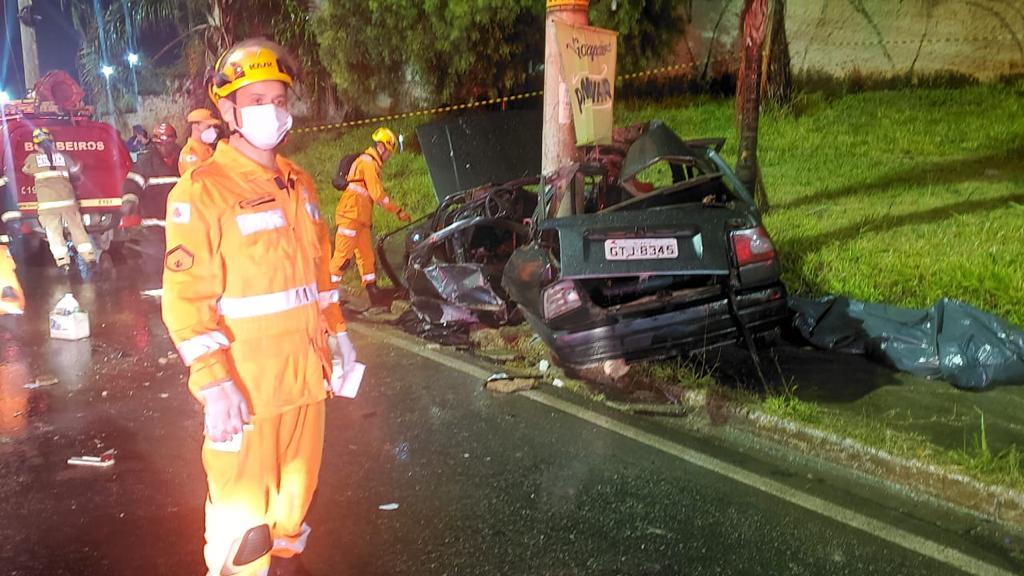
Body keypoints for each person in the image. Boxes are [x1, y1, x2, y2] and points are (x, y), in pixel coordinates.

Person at [161, 38, 355, 576]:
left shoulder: (299, 183)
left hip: (306, 384)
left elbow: (318, 277)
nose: (272, 110)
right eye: (256, 100)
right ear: (227, 111)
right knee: (244, 528)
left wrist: (337, 334)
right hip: (245, 393)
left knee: (292, 512)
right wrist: (213, 381)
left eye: (279, 98)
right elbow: (186, 299)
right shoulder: (200, 192)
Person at [330, 127, 411, 307]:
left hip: (361, 219)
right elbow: (377, 195)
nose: (389, 156)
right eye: (389, 152)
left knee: (367, 258)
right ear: (381, 147)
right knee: (342, 258)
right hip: (351, 216)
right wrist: (398, 211)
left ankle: (373, 293)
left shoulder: (370, 163)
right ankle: (328, 295)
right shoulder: (368, 163)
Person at [21, 128, 95, 272]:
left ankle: (63, 262)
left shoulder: (32, 158)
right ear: (53, 143)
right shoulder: (64, 157)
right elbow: (75, 170)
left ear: (36, 146)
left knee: (54, 233)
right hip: (68, 203)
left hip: (48, 206)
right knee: (78, 229)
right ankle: (89, 258)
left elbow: (25, 169)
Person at [121, 122, 182, 285]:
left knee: (181, 264)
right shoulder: (145, 162)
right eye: (160, 144)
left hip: (180, 224)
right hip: (153, 226)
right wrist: (130, 200)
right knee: (155, 265)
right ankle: (155, 303)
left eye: (168, 143)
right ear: (155, 143)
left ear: (174, 141)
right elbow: (132, 182)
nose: (165, 148)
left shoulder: (184, 158)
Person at [179, 108, 221, 175]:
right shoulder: (188, 153)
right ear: (196, 125)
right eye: (209, 126)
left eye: (213, 127)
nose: (212, 130)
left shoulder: (209, 149)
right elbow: (199, 177)